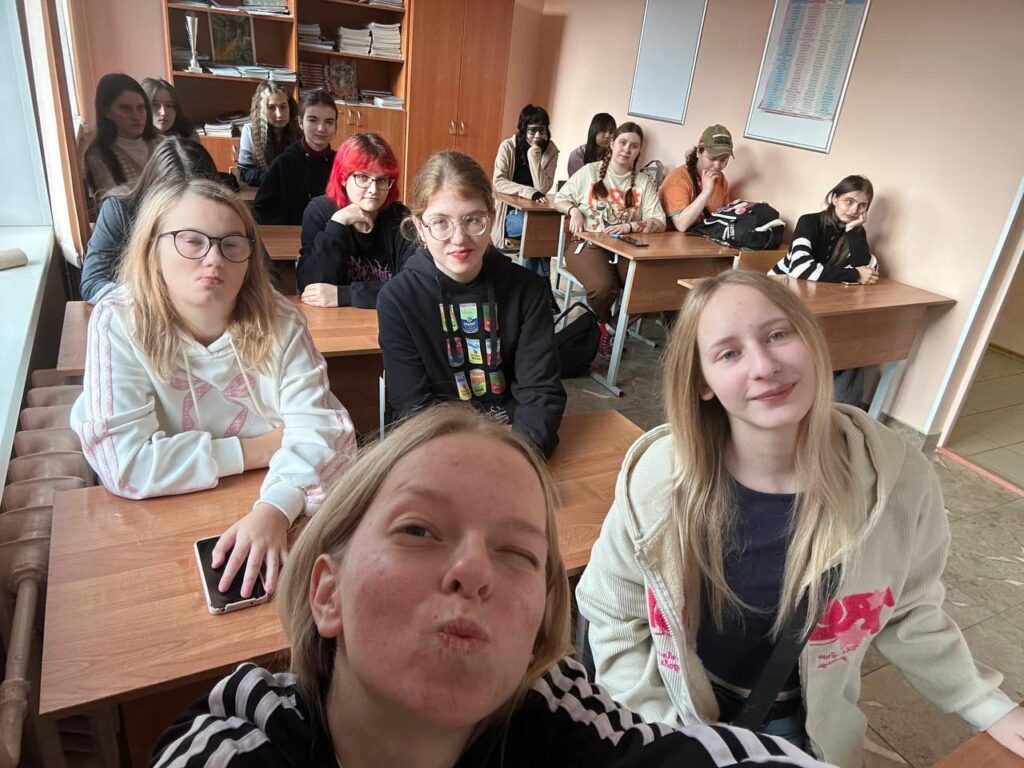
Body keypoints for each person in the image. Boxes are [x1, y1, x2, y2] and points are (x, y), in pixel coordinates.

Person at [151, 404, 832, 768]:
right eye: (418, 529)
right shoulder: (244, 742)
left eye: (517, 553)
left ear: (535, 634)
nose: (474, 570)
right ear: (327, 593)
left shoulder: (559, 716)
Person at [575, 270, 1024, 768]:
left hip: (808, 725)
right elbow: (613, 615)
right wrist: (676, 742)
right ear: (702, 383)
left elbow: (910, 610)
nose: (764, 365)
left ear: (811, 340)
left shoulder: (899, 482)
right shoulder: (657, 481)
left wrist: (986, 705)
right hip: (680, 710)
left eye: (777, 335)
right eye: (729, 353)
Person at [71, 177, 356, 599]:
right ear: (152, 250)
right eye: (192, 241)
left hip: (267, 502)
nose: (214, 258)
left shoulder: (281, 321)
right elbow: (124, 463)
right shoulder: (119, 321)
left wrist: (276, 508)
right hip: (159, 520)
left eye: (231, 244)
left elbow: (324, 432)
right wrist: (257, 449)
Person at [377, 151, 566, 458]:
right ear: (420, 228)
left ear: (492, 218)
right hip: (439, 448)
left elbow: (541, 392)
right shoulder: (398, 299)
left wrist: (517, 454)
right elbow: (413, 406)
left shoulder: (529, 290)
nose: (459, 238)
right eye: (441, 222)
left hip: (517, 444)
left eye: (473, 220)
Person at [553, 122, 666, 356]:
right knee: (604, 287)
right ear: (612, 143)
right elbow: (559, 199)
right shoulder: (590, 172)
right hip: (587, 244)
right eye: (622, 142)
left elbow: (659, 221)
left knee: (649, 288)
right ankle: (604, 323)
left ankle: (608, 328)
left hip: (625, 248)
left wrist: (630, 226)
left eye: (634, 146)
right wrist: (573, 210)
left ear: (639, 150)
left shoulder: (643, 182)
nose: (627, 149)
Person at [769, 175, 879, 404]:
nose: (854, 209)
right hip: (779, 298)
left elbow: (867, 270)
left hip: (816, 302)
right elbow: (800, 269)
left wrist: (853, 232)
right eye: (849, 201)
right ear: (834, 198)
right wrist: (853, 275)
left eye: (862, 205)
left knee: (849, 350)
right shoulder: (809, 222)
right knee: (819, 348)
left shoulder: (855, 231)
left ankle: (834, 410)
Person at [80, 137, 220, 304]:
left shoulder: (223, 215)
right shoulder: (120, 209)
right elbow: (92, 281)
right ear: (152, 194)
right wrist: (151, 299)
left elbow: (250, 275)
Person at [297, 132, 415, 308]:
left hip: (386, 316)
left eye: (382, 180)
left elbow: (412, 287)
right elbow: (310, 286)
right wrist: (337, 223)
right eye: (363, 177)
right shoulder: (319, 212)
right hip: (332, 319)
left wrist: (346, 295)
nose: (373, 189)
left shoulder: (400, 217)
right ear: (343, 178)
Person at [491, 104, 559, 276]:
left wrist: (534, 155)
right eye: (532, 130)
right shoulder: (508, 147)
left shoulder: (550, 150)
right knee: (537, 229)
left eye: (541, 130)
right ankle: (540, 282)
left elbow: (543, 187)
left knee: (544, 228)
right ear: (523, 129)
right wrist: (529, 192)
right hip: (508, 214)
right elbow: (498, 182)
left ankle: (534, 283)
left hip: (535, 211)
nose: (537, 135)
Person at [254, 89, 338, 226]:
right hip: (292, 235)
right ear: (300, 123)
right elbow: (263, 209)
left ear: (335, 126)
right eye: (313, 120)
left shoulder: (341, 163)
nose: (321, 128)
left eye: (329, 122)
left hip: (332, 235)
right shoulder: (283, 163)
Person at [83, 73, 159, 210]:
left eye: (141, 108)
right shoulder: (98, 155)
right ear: (107, 112)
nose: (136, 116)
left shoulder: (161, 143)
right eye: (126, 108)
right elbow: (114, 205)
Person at [658, 124, 734, 233]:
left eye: (723, 160)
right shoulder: (678, 179)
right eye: (712, 158)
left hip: (701, 238)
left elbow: (724, 216)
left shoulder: (720, 178)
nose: (717, 166)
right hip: (671, 239)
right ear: (698, 152)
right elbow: (681, 225)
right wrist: (706, 192)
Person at [237, 79, 300, 188]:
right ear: (261, 110)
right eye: (271, 108)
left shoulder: (300, 129)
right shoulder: (250, 130)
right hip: (262, 191)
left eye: (283, 106)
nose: (279, 114)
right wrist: (279, 177)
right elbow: (246, 173)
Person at [567, 112, 616, 177]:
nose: (607, 135)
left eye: (611, 131)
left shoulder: (613, 155)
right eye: (603, 130)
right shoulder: (577, 155)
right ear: (593, 130)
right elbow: (581, 180)